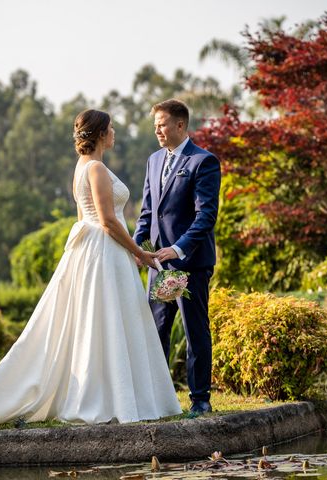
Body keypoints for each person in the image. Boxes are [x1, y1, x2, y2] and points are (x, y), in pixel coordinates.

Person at [0, 109, 182, 428]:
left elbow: (85, 218)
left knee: (106, 321)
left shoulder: (82, 167)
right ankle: (105, 397)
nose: (115, 133)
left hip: (97, 250)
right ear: (100, 134)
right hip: (105, 250)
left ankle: (116, 393)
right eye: (111, 128)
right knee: (105, 320)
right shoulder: (94, 168)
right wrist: (140, 252)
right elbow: (106, 221)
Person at [134, 99, 221, 414]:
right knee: (155, 331)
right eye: (155, 124)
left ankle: (200, 400)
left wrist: (179, 248)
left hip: (191, 263)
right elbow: (147, 213)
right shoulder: (154, 161)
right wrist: (134, 248)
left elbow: (206, 216)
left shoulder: (203, 162)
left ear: (180, 125)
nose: (157, 129)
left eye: (162, 123)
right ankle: (157, 400)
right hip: (157, 264)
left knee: (194, 329)